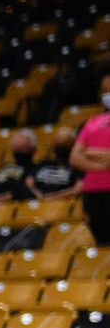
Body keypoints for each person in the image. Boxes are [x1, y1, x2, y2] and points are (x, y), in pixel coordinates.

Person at [72, 94, 110, 242]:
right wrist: (105, 164)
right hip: (95, 192)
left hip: (94, 192)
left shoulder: (92, 123)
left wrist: (90, 153)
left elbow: (77, 156)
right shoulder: (92, 123)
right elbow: (74, 158)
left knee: (103, 244)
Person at [31, 129, 82, 199]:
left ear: (73, 146)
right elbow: (29, 182)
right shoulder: (44, 163)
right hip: (39, 202)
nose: (61, 148)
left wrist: (53, 197)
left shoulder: (78, 167)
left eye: (65, 144)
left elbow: (79, 188)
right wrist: (39, 196)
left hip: (63, 204)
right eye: (59, 144)